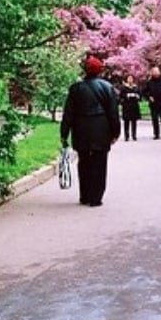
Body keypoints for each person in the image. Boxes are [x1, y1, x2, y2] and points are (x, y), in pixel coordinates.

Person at [60, 55, 121, 206]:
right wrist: (115, 132)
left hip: (81, 129)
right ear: (99, 70)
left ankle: (85, 195)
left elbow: (68, 113)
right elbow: (113, 113)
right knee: (100, 163)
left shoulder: (75, 89)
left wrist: (64, 133)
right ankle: (96, 198)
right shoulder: (107, 88)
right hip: (101, 129)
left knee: (84, 162)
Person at [142, 65, 161, 139]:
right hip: (153, 104)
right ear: (152, 73)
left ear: (159, 72)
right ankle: (156, 133)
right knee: (155, 119)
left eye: (157, 72)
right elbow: (144, 92)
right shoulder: (149, 82)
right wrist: (149, 97)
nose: (156, 73)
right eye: (154, 72)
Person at [119, 74, 141, 141]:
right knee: (126, 122)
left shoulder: (136, 87)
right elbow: (121, 96)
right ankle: (126, 135)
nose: (130, 80)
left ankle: (134, 135)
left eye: (131, 78)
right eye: (129, 78)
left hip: (134, 106)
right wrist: (126, 95)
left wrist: (137, 96)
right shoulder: (123, 88)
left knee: (134, 122)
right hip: (127, 106)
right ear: (127, 79)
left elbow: (140, 95)